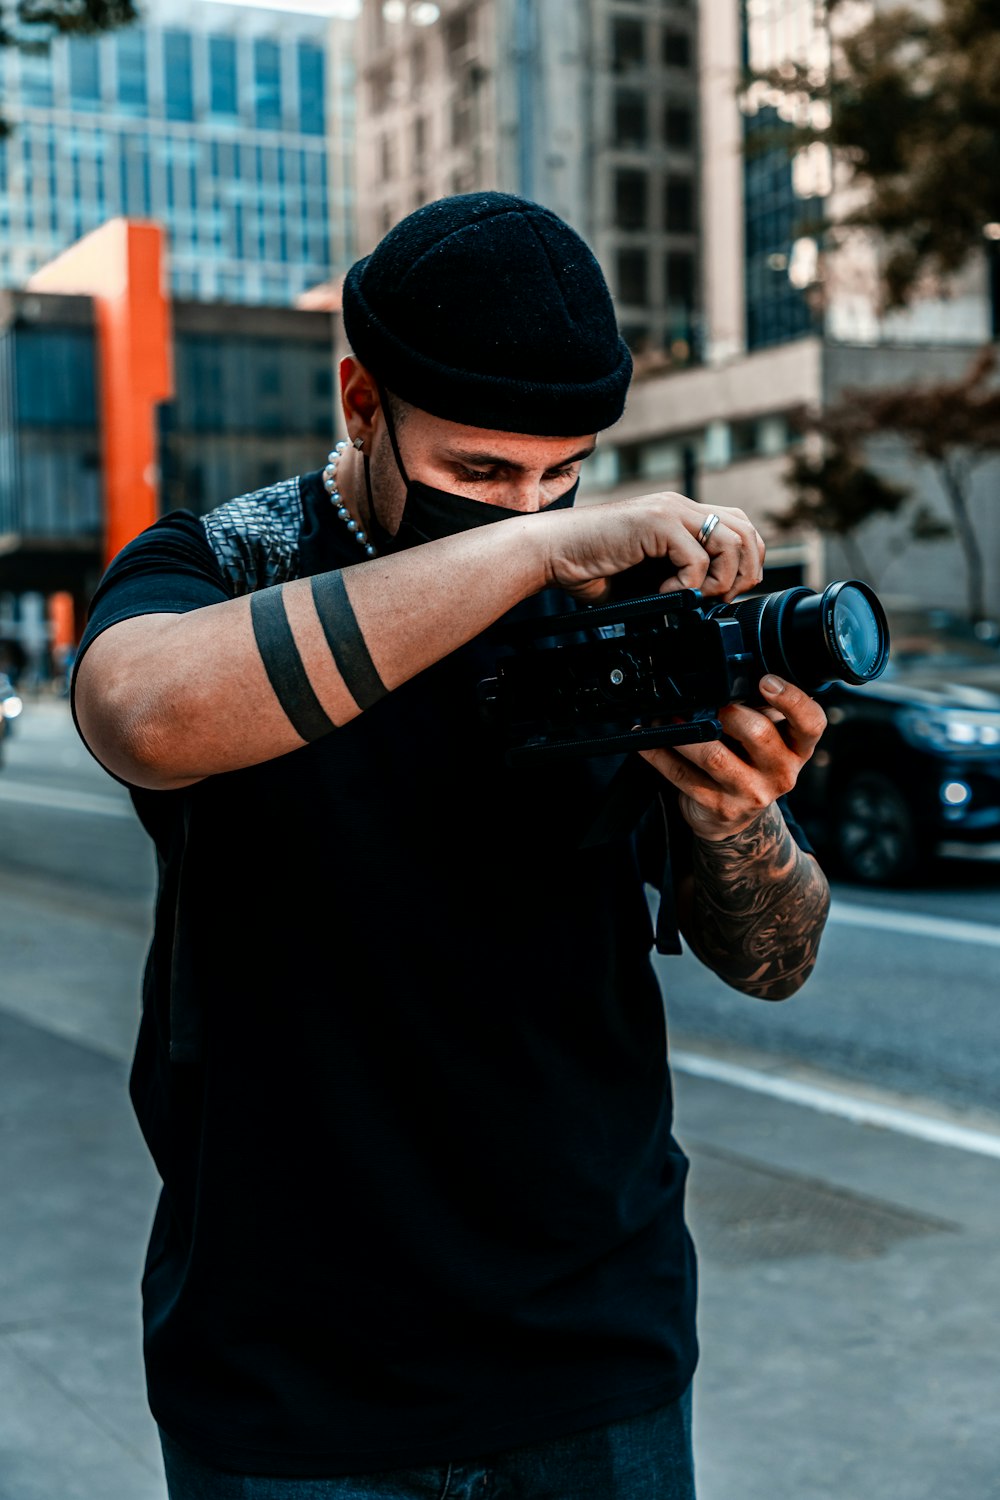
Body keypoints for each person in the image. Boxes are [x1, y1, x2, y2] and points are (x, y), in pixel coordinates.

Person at [72, 193, 831, 1499]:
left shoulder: (619, 603)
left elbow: (775, 957)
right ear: (362, 400)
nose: (526, 507)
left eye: (562, 471)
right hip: (288, 1376)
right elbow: (139, 710)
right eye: (480, 472)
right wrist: (541, 542)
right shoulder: (233, 562)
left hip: (592, 1355)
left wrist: (735, 819)